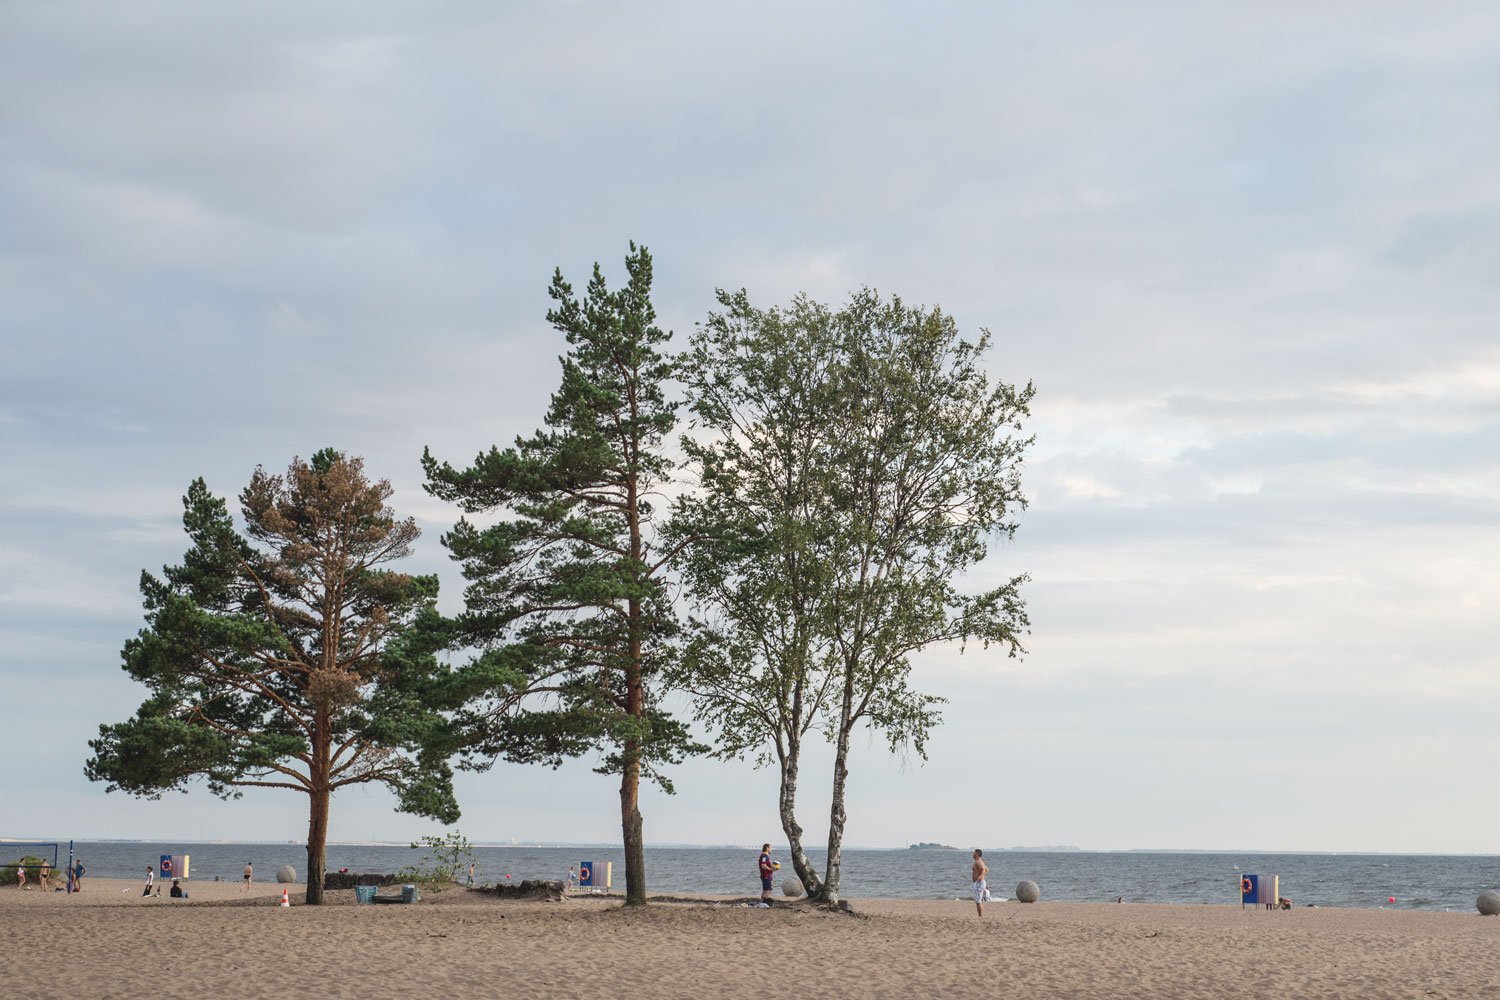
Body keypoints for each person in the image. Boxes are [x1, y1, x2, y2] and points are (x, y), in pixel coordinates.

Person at [971, 849, 989, 917]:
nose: (973, 854)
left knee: (978, 901)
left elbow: (982, 869)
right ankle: (980, 915)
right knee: (977, 900)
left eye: (974, 853)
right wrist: (982, 875)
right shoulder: (979, 861)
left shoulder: (978, 861)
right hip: (979, 882)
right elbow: (987, 869)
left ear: (977, 854)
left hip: (979, 883)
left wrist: (981, 876)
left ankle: (980, 916)